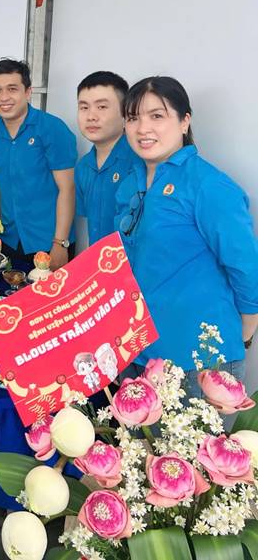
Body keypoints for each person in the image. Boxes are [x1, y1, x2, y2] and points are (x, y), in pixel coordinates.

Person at [115, 76, 258, 394]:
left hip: (197, 362)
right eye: (133, 118)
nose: (143, 128)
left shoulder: (207, 185)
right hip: (136, 350)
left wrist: (244, 333)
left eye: (157, 115)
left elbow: (246, 265)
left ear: (184, 121)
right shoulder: (130, 182)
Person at [0, 59, 77, 269]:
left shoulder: (52, 128)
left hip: (48, 242)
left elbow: (68, 188)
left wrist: (60, 243)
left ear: (27, 92)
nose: (3, 97)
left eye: (12, 89)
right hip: (7, 240)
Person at [75, 71, 139, 245]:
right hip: (101, 259)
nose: (91, 116)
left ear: (125, 113)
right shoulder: (83, 167)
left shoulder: (141, 163)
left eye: (102, 107)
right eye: (84, 107)